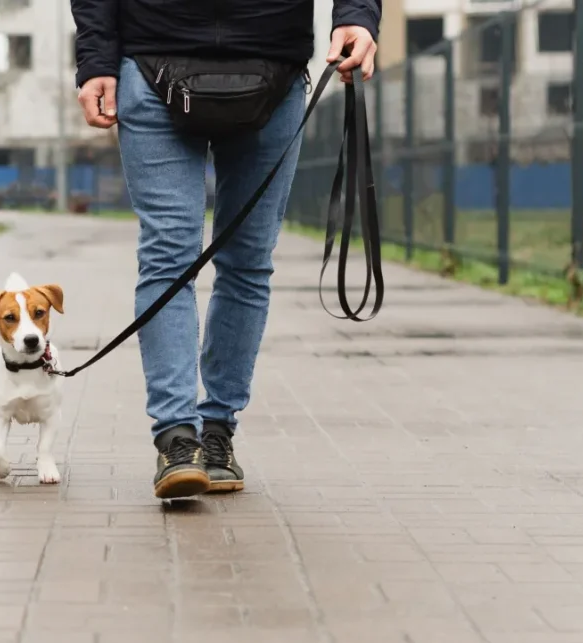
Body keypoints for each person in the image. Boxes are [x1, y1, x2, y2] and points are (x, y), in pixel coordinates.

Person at [71, 0, 380, 499]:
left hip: (272, 62)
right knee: (169, 257)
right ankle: (177, 437)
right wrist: (95, 60)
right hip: (152, 59)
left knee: (247, 261)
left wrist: (357, 15)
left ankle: (216, 431)